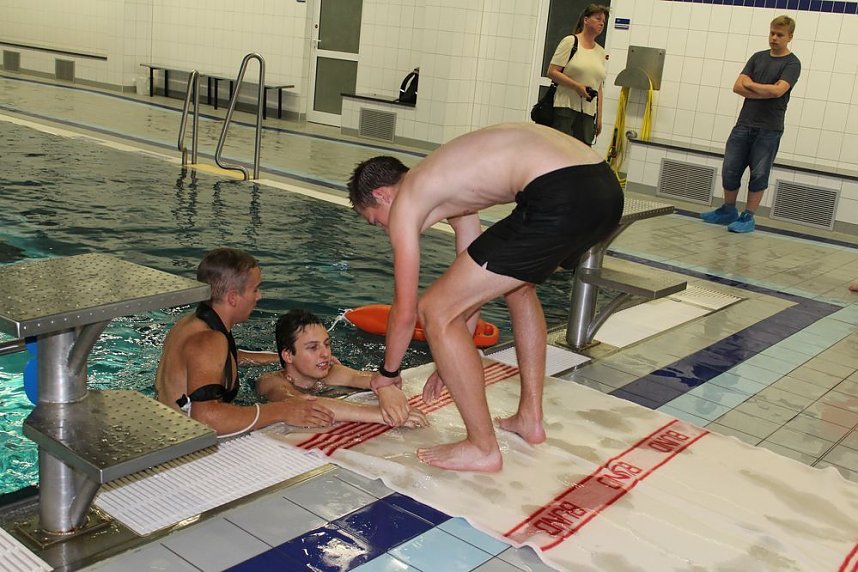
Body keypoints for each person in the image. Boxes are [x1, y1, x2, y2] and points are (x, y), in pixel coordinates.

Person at [347, 123, 624, 472]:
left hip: (560, 192)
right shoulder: (449, 188)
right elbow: (472, 288)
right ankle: (530, 417)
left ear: (384, 195)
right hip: (603, 189)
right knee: (517, 287)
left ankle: (482, 447)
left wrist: (388, 375)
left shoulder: (407, 201)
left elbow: (405, 311)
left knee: (433, 309)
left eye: (376, 222)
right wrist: (451, 363)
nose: (385, 229)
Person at [155, 248, 336, 436]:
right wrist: (283, 410)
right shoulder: (209, 340)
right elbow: (206, 418)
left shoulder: (190, 323)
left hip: (167, 429)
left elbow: (222, 359)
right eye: (255, 289)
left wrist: (286, 358)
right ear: (233, 297)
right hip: (185, 445)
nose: (259, 296)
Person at [701, 15, 801, 234]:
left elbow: (779, 91)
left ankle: (748, 216)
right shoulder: (757, 57)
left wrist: (752, 86)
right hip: (744, 124)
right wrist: (765, 89)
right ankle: (728, 210)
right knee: (730, 168)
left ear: (790, 37)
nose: (774, 38)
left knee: (759, 173)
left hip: (769, 128)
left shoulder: (792, 63)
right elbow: (737, 86)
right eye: (772, 33)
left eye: (780, 35)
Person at [256, 309, 427, 427]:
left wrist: (385, 389)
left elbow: (370, 378)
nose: (325, 354)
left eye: (327, 344)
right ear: (288, 355)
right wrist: (381, 415)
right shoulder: (271, 383)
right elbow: (305, 405)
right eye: (313, 347)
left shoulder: (331, 372)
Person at [546, 4, 609, 146]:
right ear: (586, 20)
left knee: (582, 155)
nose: (601, 23)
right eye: (598, 19)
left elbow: (598, 86)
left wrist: (598, 116)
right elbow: (552, 72)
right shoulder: (570, 42)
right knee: (562, 151)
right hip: (565, 107)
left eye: (603, 22)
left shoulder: (601, 52)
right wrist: (577, 86)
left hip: (587, 113)